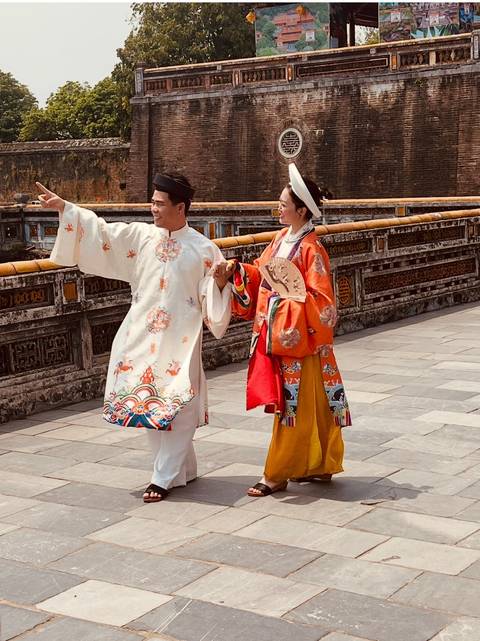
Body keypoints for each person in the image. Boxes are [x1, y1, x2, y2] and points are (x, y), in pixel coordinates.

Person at [37, 173, 232, 503]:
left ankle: (163, 476)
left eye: (158, 203)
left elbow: (212, 293)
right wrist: (66, 209)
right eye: (152, 202)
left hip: (181, 342)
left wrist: (222, 283)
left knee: (180, 404)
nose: (152, 209)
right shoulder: (140, 236)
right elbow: (101, 232)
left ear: (180, 207)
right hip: (141, 334)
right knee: (148, 404)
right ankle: (182, 469)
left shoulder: (204, 249)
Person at [215, 164, 351, 497]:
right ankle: (320, 464)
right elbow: (262, 276)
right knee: (312, 405)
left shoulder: (311, 249)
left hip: (300, 339)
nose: (278, 208)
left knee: (293, 407)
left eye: (283, 204)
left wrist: (280, 307)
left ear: (301, 210)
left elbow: (323, 303)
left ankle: (276, 473)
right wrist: (237, 272)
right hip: (286, 333)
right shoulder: (280, 240)